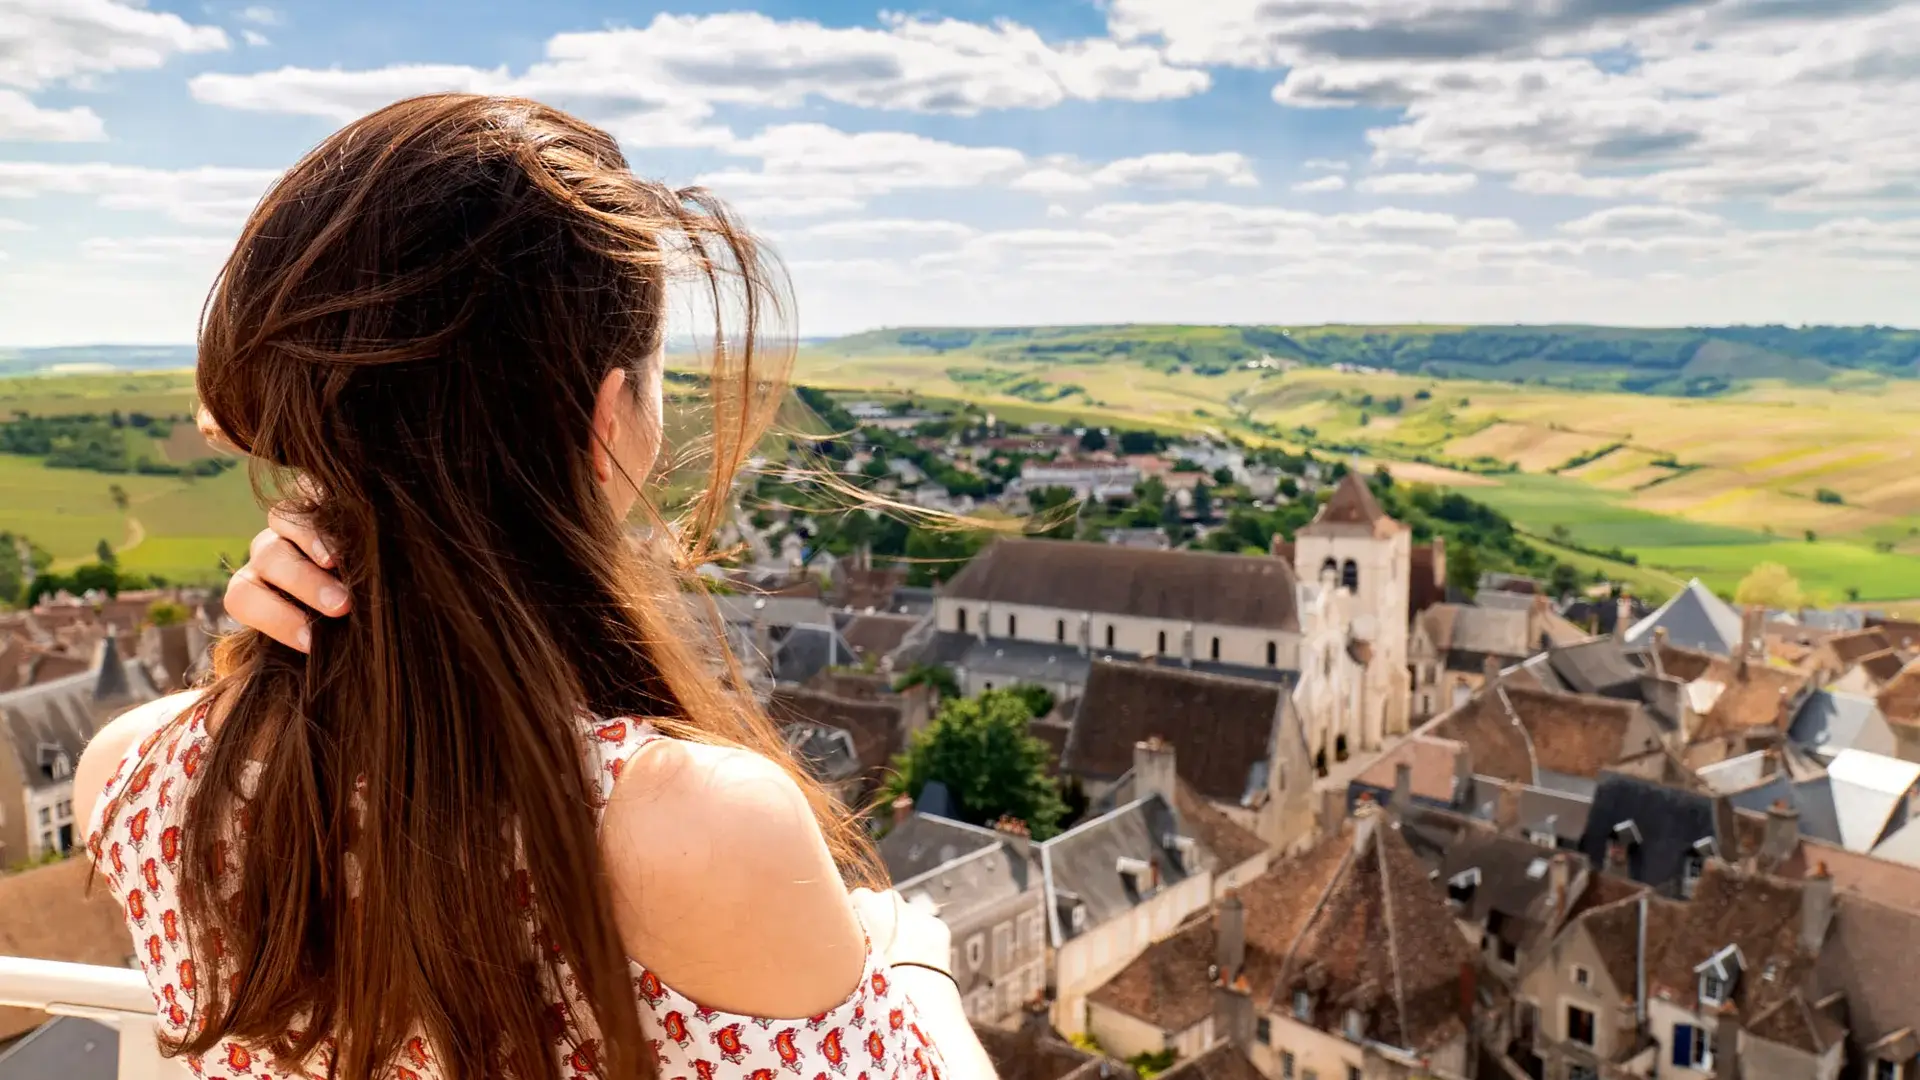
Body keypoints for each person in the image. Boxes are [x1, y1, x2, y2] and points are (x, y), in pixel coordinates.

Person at [74, 93, 993, 1080]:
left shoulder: (133, 778)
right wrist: (911, 955)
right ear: (606, 422)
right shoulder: (697, 830)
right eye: (657, 380)